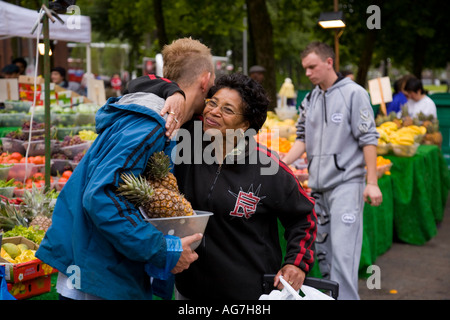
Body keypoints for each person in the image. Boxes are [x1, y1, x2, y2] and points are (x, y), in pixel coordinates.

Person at [36, 37, 216, 300]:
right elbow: (101, 197)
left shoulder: (157, 115)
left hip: (101, 266)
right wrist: (162, 250)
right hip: (100, 274)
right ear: (205, 80)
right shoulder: (153, 123)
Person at [173, 73, 317, 300]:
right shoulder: (187, 149)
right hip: (190, 291)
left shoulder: (269, 168)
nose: (214, 112)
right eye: (213, 103)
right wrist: (173, 94)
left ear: (246, 124)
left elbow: (304, 216)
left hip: (247, 294)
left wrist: (297, 263)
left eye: (228, 109)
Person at [281, 41, 382, 300]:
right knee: (323, 257)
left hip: (347, 186)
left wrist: (372, 182)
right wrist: (281, 162)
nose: (308, 73)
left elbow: (368, 138)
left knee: (343, 257)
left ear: (329, 62)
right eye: (305, 68)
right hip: (317, 189)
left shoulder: (354, 93)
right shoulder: (311, 98)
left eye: (312, 67)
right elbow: (301, 138)